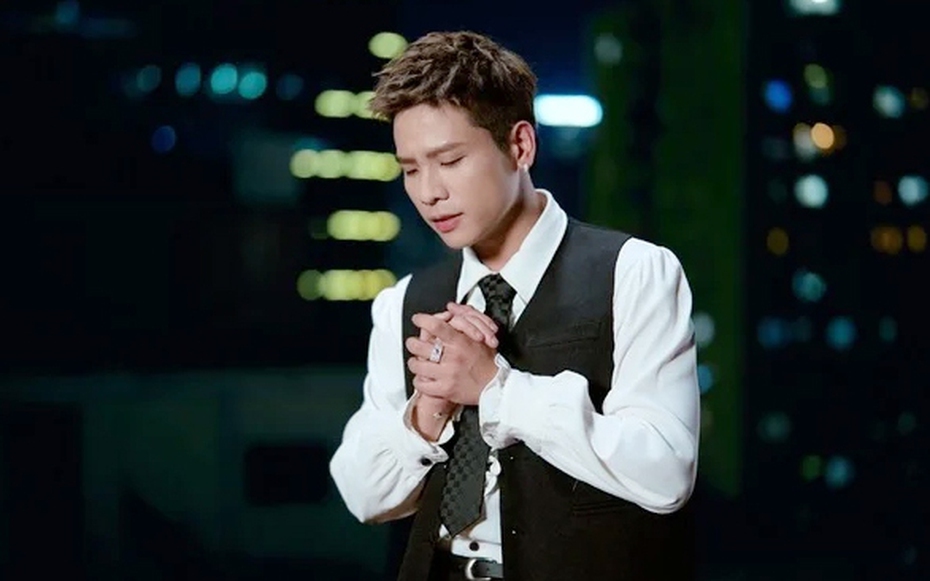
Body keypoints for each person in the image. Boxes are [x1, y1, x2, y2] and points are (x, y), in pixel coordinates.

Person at [329, 30, 700, 581]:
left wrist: (496, 390)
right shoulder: (403, 302)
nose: (428, 192)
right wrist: (430, 410)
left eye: (450, 160)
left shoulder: (634, 272)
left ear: (520, 147)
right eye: (410, 169)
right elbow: (363, 496)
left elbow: (666, 472)